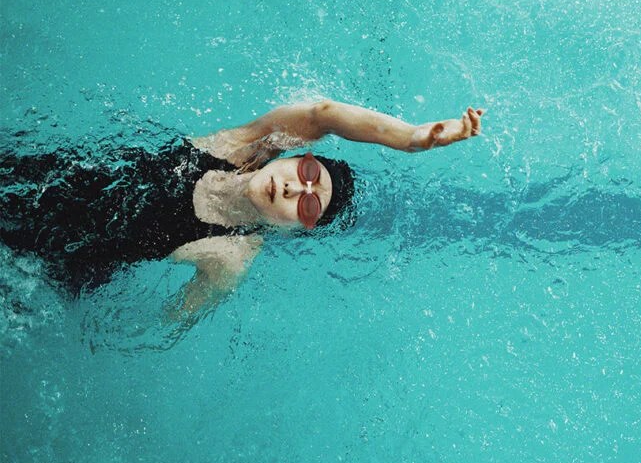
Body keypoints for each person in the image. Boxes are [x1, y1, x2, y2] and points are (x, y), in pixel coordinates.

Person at [0, 101, 484, 315]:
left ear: (298, 230)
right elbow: (323, 115)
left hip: (51, 262)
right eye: (309, 176)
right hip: (42, 181)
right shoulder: (239, 148)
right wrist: (413, 138)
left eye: (309, 208)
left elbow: (170, 320)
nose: (297, 191)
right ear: (299, 154)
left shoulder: (229, 256)